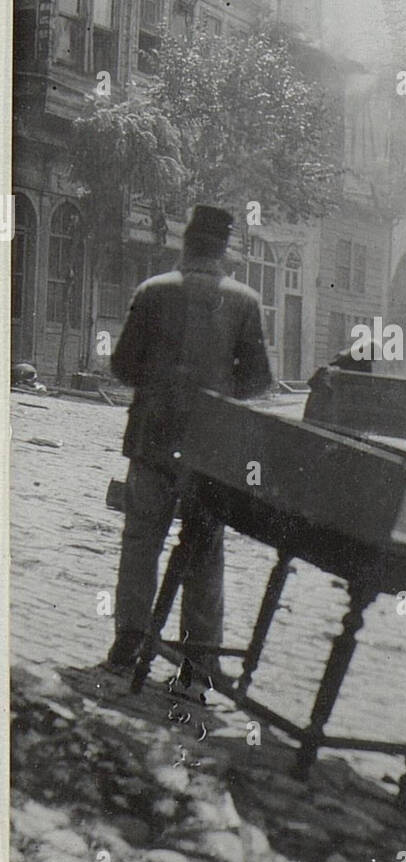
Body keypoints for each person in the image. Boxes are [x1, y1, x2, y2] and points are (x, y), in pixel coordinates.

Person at [105, 205, 273, 672]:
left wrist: (161, 385)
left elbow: (121, 365)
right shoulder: (244, 301)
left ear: (186, 242)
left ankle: (129, 640)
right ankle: (198, 655)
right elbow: (260, 380)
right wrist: (216, 393)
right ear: (224, 250)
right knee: (204, 548)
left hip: (152, 436)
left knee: (142, 539)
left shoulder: (152, 291)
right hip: (211, 449)